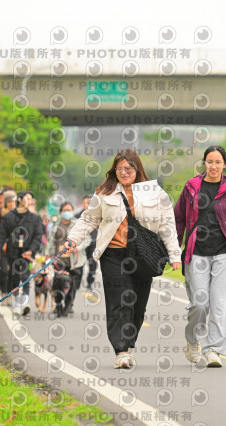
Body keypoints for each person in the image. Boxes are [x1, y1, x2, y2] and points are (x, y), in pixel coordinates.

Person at [65, 149, 182, 369]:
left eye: (128, 168)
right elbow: (89, 219)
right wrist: (73, 239)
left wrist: (175, 254)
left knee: (138, 305)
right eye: (119, 168)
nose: (124, 172)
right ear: (114, 170)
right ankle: (121, 351)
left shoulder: (154, 193)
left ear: (137, 169)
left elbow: (167, 225)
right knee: (119, 301)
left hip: (143, 255)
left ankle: (129, 345)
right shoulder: (105, 192)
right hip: (113, 254)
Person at [174, 145, 226, 368]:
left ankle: (213, 350)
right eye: (210, 162)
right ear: (204, 163)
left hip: (223, 253)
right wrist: (174, 248)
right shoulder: (191, 187)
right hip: (196, 252)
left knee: (219, 304)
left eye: (218, 162)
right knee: (199, 303)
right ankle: (192, 340)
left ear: (224, 164)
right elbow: (178, 218)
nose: (213, 166)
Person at [0, 191, 44, 317]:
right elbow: (1, 234)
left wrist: (31, 250)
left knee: (26, 276)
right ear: (20, 199)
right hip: (13, 251)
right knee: (14, 277)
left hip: (28, 253)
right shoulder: (9, 216)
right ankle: (17, 303)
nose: (29, 202)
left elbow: (38, 236)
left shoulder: (34, 218)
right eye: (27, 199)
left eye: (31, 200)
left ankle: (25, 302)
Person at [44, 202, 89, 317]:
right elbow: (50, 241)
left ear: (73, 211)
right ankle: (58, 306)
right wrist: (47, 254)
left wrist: (76, 248)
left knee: (72, 285)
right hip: (59, 261)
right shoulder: (56, 225)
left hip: (74, 261)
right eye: (65, 210)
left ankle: (69, 305)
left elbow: (87, 240)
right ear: (60, 212)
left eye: (69, 210)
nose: (67, 212)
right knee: (57, 284)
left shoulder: (78, 224)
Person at [75, 195, 97, 290]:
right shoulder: (77, 216)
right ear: (82, 204)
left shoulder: (97, 216)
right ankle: (77, 284)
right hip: (81, 244)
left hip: (93, 244)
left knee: (93, 264)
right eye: (87, 203)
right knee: (80, 264)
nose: (88, 205)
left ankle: (89, 283)